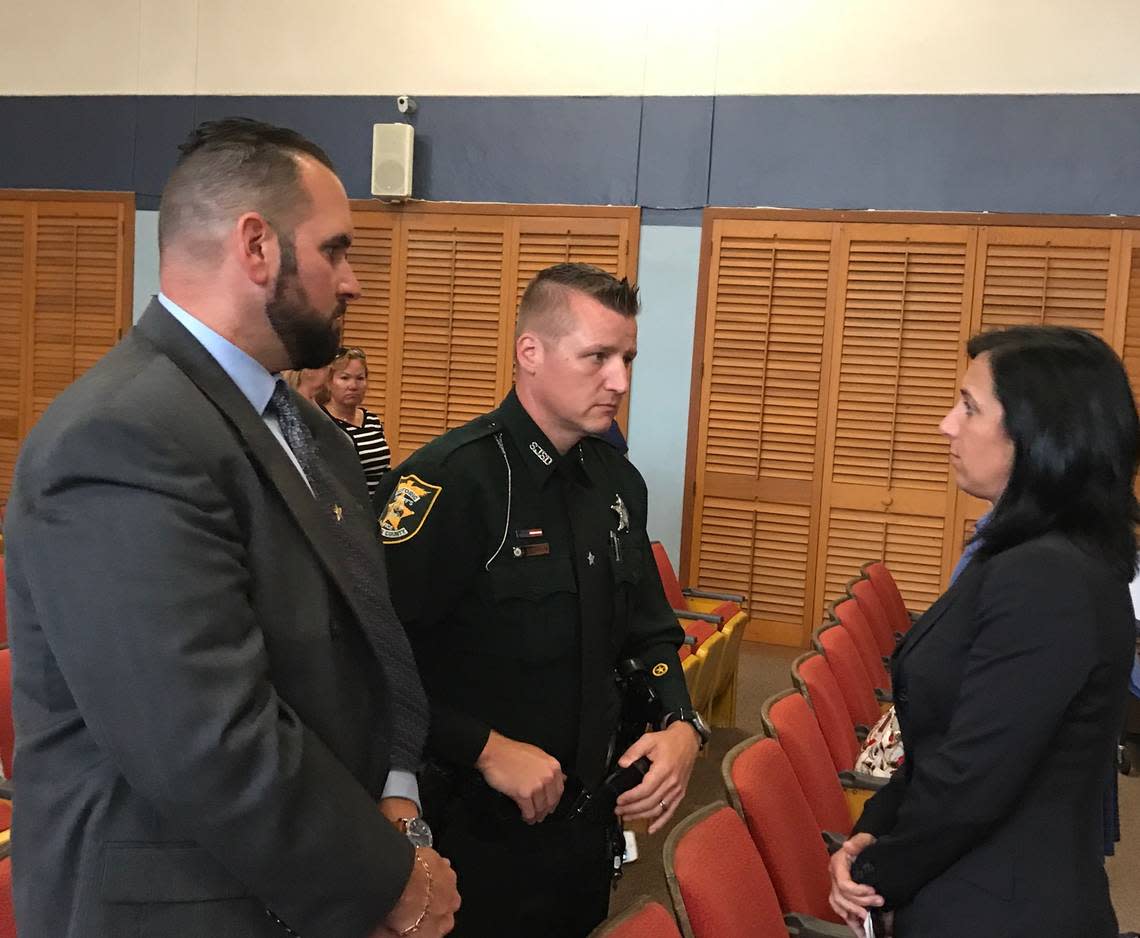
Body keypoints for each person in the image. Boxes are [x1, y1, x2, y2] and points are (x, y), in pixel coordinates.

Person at [3, 118, 459, 937]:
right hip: (181, 905)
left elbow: (368, 642)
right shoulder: (121, 436)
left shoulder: (308, 430)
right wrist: (387, 878)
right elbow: (204, 738)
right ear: (257, 246)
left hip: (301, 880)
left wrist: (398, 790)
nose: (352, 281)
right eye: (335, 250)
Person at [375, 263, 704, 938]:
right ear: (531, 353)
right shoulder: (451, 483)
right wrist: (487, 748)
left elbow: (649, 631)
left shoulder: (616, 484)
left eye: (628, 359)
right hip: (472, 831)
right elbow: (369, 663)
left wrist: (680, 726)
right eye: (598, 358)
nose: (620, 381)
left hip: (584, 832)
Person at [828, 325, 1139, 938]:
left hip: (1003, 906)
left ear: (1039, 435)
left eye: (969, 407)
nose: (947, 424)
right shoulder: (1022, 552)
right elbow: (943, 739)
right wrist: (877, 824)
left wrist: (875, 871)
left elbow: (975, 777)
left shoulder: (1049, 575)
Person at [325, 346, 392, 499]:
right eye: (344, 378)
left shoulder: (372, 421)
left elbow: (384, 470)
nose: (353, 386)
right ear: (329, 382)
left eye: (360, 378)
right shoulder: (323, 421)